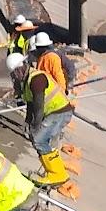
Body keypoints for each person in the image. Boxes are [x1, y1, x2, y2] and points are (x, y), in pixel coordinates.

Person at [25, 43, 73, 188]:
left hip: (58, 109)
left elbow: (38, 106)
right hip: (56, 108)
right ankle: (55, 172)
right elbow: (31, 104)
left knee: (40, 140)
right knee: (44, 140)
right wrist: (29, 121)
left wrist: (35, 124)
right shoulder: (31, 75)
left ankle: (57, 174)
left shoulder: (46, 64)